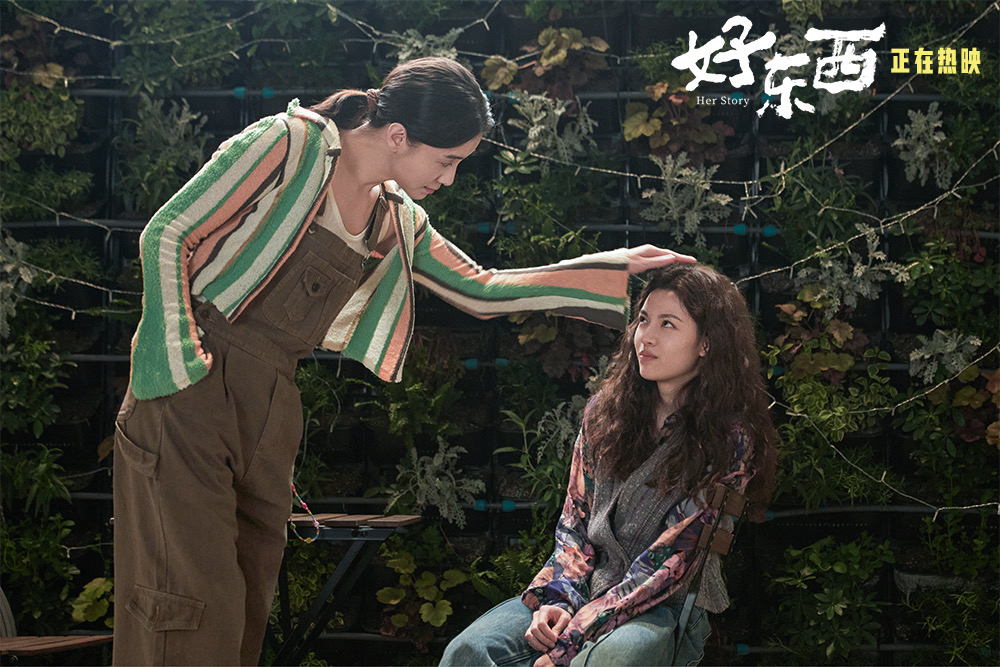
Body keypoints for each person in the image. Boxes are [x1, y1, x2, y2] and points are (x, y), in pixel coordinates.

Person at [112, 56, 693, 666]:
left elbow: (482, 288)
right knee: (186, 598)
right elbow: (168, 232)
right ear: (397, 136)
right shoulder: (288, 144)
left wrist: (611, 266)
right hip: (195, 379)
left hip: (271, 399)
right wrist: (174, 356)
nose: (449, 178)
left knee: (245, 599)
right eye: (446, 161)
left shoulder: (393, 217)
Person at [440, 263, 779, 667]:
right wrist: (561, 598)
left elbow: (671, 562)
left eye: (667, 324)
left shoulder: (728, 440)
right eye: (643, 320)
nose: (645, 336)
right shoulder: (606, 412)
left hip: (658, 607)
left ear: (707, 343)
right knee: (468, 653)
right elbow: (575, 519)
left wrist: (573, 639)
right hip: (583, 588)